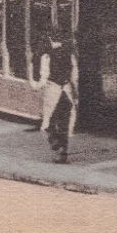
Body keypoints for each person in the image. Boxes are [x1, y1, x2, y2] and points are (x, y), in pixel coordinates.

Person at [32, 31, 79, 163]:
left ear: (51, 40)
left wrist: (36, 86)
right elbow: (74, 76)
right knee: (65, 122)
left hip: (53, 90)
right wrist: (75, 94)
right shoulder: (70, 54)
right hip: (67, 90)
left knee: (48, 122)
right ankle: (62, 152)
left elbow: (44, 76)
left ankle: (55, 143)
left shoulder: (47, 56)